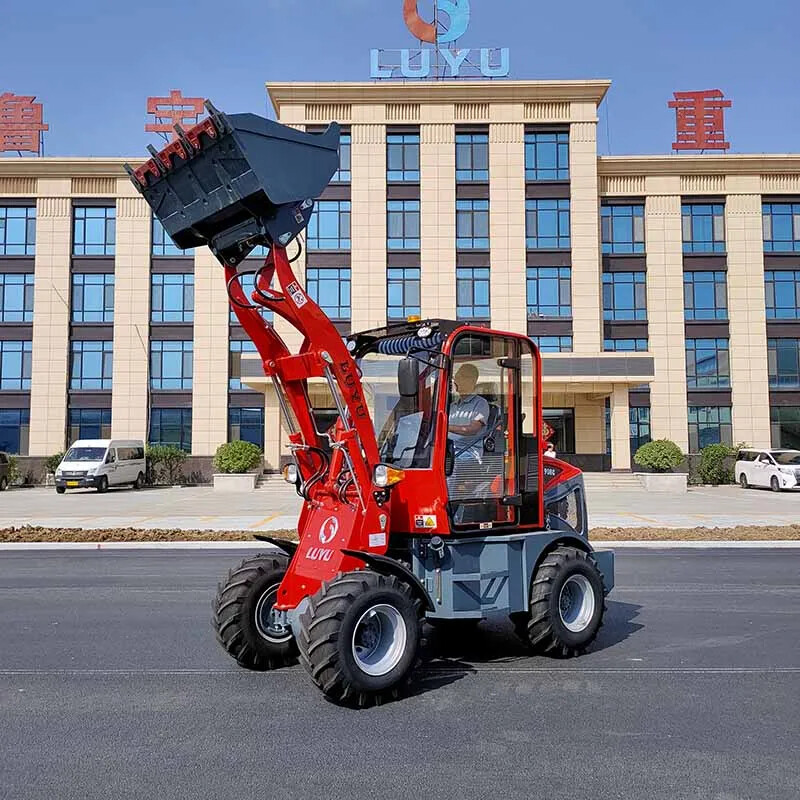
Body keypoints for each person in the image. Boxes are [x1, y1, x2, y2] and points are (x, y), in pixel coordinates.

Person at [448, 363, 490, 450]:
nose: (456, 380)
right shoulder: (452, 406)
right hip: (448, 449)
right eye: (456, 377)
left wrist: (446, 428)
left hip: (467, 452)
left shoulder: (481, 404)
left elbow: (473, 429)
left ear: (472, 381)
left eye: (461, 377)